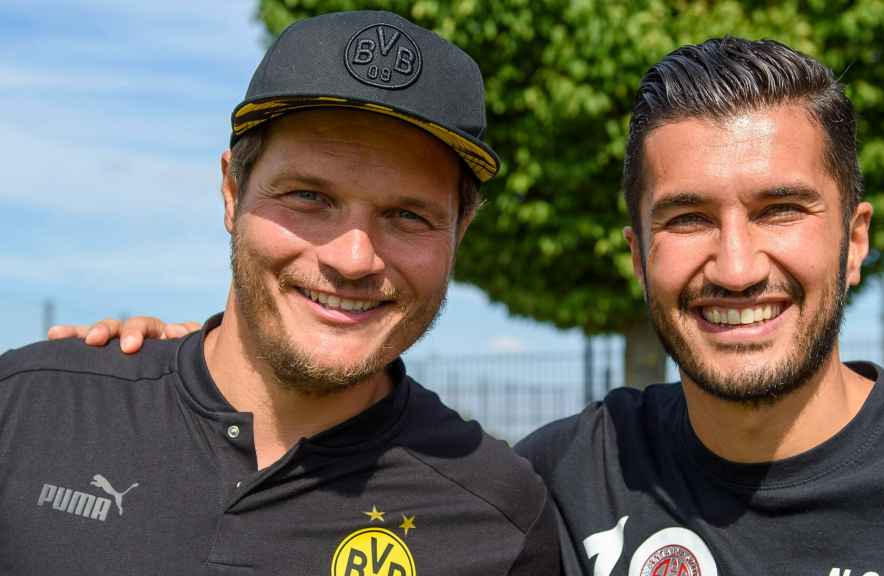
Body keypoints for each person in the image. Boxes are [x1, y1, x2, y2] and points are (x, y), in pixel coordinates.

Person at [57, 38, 884, 575]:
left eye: (780, 210)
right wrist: (175, 367)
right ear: (637, 249)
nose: (736, 266)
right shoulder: (557, 477)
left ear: (854, 237)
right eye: (686, 218)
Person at [1, 10, 558, 575]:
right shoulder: (27, 411)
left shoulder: (499, 518)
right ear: (232, 192)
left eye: (408, 214)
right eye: (309, 198)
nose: (353, 259)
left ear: (458, 234)